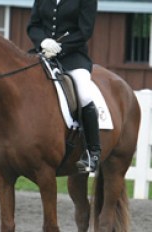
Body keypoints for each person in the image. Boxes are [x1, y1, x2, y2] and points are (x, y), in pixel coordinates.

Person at [27, 0, 100, 172]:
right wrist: (43, 41)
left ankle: (92, 152)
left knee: (83, 95)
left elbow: (85, 31)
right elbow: (33, 25)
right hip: (43, 53)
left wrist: (61, 47)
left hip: (73, 57)